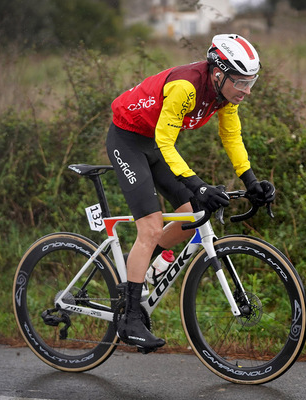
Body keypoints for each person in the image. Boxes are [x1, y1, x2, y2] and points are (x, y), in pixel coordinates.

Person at [106, 34, 275, 352]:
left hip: (153, 143)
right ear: (218, 72)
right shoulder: (186, 87)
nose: (247, 91)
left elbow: (231, 136)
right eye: (241, 82)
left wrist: (251, 181)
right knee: (151, 227)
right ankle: (128, 319)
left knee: (192, 212)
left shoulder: (225, 96)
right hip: (127, 140)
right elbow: (167, 143)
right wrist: (198, 184)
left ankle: (137, 267)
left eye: (251, 82)